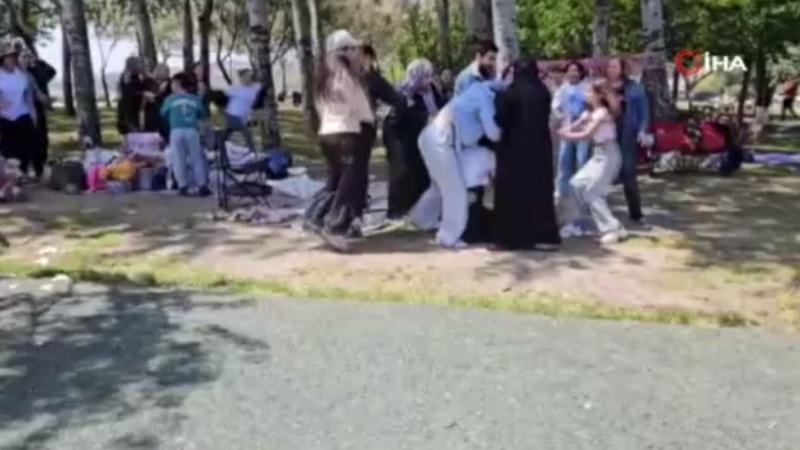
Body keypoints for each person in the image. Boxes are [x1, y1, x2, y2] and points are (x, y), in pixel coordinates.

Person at [409, 77, 502, 249]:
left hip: (433, 138)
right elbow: (493, 133)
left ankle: (420, 219)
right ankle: (448, 236)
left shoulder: (475, 92)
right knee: (455, 190)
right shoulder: (486, 98)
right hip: (442, 141)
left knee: (438, 186)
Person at [303, 29, 373, 252]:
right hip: (347, 133)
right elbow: (360, 108)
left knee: (335, 181)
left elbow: (319, 108)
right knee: (350, 184)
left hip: (327, 134)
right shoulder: (347, 78)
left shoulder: (322, 79)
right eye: (351, 49)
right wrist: (369, 120)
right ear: (343, 52)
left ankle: (314, 217)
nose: (355, 53)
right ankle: (335, 227)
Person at [492, 58, 560, 251]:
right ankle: (543, 237)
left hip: (514, 149)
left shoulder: (509, 93)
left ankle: (511, 238)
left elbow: (500, 119)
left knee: (512, 192)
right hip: (539, 148)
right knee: (539, 191)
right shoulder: (542, 91)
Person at [558, 80, 628, 245]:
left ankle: (612, 229)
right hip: (598, 154)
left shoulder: (602, 113)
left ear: (598, 95)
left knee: (593, 192)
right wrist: (567, 129)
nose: (586, 95)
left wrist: (567, 136)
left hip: (609, 154)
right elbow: (576, 125)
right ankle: (582, 224)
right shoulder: (590, 112)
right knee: (576, 184)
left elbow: (587, 134)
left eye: (589, 92)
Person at [382, 58, 446, 220]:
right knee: (402, 173)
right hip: (401, 138)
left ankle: (420, 211)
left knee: (422, 172)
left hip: (424, 138)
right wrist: (425, 117)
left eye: (430, 75)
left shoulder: (432, 90)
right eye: (425, 76)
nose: (428, 80)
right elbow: (396, 119)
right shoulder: (404, 92)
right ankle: (396, 211)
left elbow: (441, 106)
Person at [606, 58, 649, 227]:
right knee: (603, 173)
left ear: (622, 69)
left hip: (627, 132)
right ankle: (601, 212)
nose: (611, 69)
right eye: (609, 66)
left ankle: (636, 213)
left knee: (628, 172)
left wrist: (642, 130)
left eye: (614, 66)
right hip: (606, 133)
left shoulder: (634, 87)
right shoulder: (602, 87)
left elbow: (644, 111)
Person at [160, 72, 210, 197]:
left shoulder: (170, 99)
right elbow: (201, 114)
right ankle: (202, 184)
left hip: (176, 130)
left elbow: (163, 113)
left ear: (178, 84)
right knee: (196, 157)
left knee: (178, 157)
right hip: (192, 130)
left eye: (172, 83)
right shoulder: (194, 99)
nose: (171, 86)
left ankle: (182, 185)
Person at [0, 42, 39, 180]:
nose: (11, 60)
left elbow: (29, 95)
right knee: (8, 148)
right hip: (4, 117)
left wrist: (34, 115)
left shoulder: (22, 75)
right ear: (3, 60)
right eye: (8, 57)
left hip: (23, 114)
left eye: (13, 57)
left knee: (26, 146)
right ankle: (11, 176)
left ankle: (22, 171)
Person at [552, 60, 590, 199]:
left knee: (581, 159)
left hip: (583, 129)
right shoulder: (562, 89)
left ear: (580, 73)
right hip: (567, 129)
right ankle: (562, 190)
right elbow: (555, 106)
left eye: (576, 70)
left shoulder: (586, 87)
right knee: (564, 160)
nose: (573, 73)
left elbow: (592, 105)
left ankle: (581, 190)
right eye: (570, 70)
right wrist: (562, 117)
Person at [221, 68, 261, 152]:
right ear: (241, 78)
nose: (248, 78)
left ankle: (220, 146)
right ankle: (252, 151)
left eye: (249, 76)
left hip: (244, 117)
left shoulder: (255, 87)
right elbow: (222, 97)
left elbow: (261, 88)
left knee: (228, 132)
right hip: (232, 115)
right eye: (245, 76)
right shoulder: (235, 89)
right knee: (246, 132)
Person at [116, 56, 151, 135]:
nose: (141, 66)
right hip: (129, 112)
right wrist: (143, 94)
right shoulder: (127, 76)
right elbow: (128, 93)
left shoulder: (136, 76)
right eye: (139, 64)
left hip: (135, 111)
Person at [143, 63, 172, 141]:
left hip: (165, 114)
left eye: (166, 71)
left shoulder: (170, 83)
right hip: (152, 114)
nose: (163, 73)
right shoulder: (148, 82)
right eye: (160, 70)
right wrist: (159, 91)